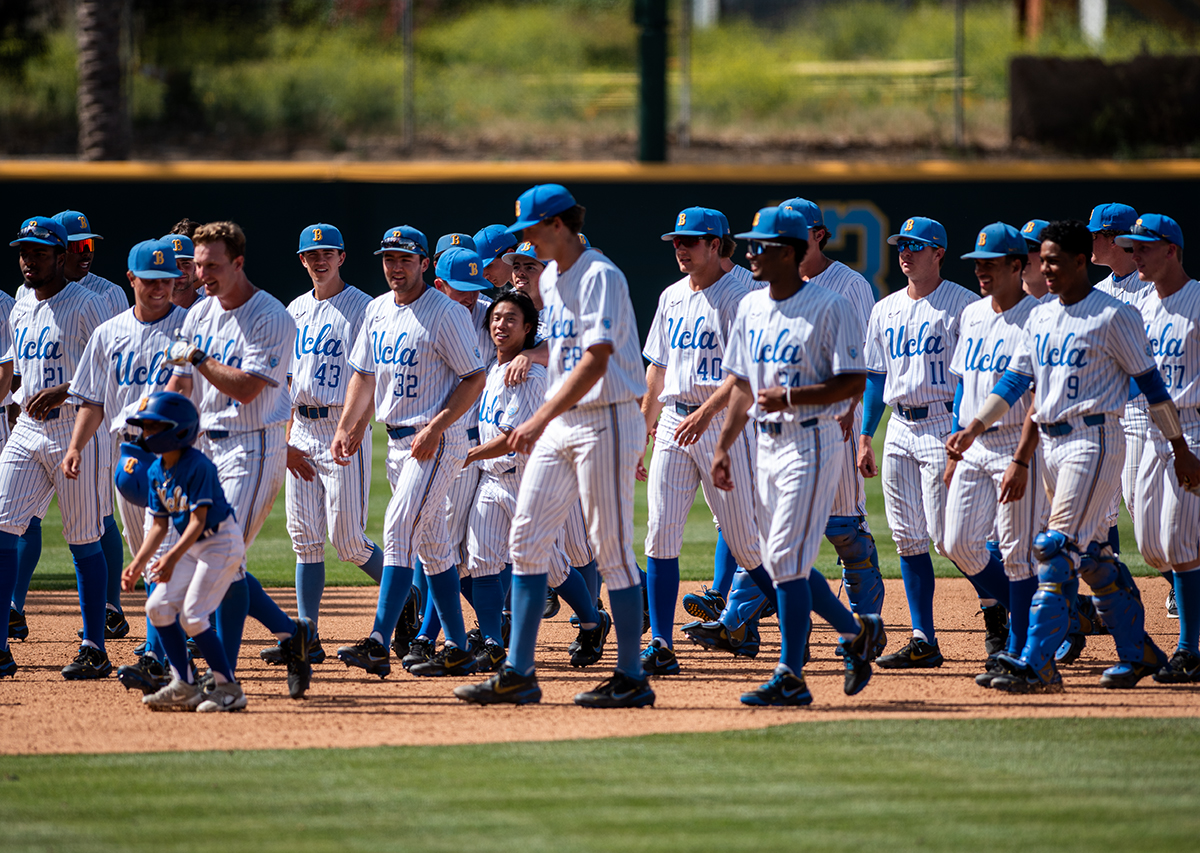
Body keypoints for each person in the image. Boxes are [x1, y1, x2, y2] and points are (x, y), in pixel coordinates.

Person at [949, 218, 1182, 692]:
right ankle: (1139, 652)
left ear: (1081, 261)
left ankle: (1037, 663)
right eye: (1043, 260)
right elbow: (1016, 383)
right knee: (1091, 556)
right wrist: (974, 426)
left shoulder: (1114, 315)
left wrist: (1180, 448)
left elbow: (1153, 387)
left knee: (1053, 550)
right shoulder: (1042, 315)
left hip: (1094, 441)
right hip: (1050, 444)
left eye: (1054, 260)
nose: (1046, 268)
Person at [456, 183, 651, 707]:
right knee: (525, 541)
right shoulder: (556, 278)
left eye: (531, 230)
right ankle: (520, 672)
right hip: (565, 423)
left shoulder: (600, 275)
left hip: (608, 419)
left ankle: (631, 675)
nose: (524, 241)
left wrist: (539, 417)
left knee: (611, 551)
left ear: (560, 225)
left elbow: (597, 357)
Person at [713, 205, 882, 705]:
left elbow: (855, 379)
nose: (749, 253)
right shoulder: (750, 307)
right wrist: (724, 445)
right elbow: (743, 384)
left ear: (787, 252)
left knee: (785, 556)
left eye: (759, 245)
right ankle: (855, 631)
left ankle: (791, 674)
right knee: (779, 557)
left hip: (813, 440)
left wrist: (792, 398)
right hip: (764, 444)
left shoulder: (832, 306)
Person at [164, 220, 315, 700]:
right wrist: (157, 422)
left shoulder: (271, 315)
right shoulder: (199, 315)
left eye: (211, 265)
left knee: (221, 556)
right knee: (221, 557)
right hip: (204, 446)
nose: (200, 274)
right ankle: (293, 636)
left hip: (254, 446)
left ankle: (223, 678)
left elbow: (249, 389)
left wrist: (198, 358)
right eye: (196, 264)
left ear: (238, 263)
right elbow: (182, 384)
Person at [331, 226, 486, 679]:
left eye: (404, 258)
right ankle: (457, 647)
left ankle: (379, 640)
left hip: (436, 440)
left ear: (425, 263)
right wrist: (349, 426)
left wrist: (438, 427)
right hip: (398, 441)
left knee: (398, 529)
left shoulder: (445, 312)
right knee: (436, 549)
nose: (395, 267)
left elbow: (473, 377)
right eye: (388, 258)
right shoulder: (377, 310)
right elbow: (363, 374)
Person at [62, 237, 191, 694]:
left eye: (166, 280)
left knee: (162, 558)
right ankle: (175, 643)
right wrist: (76, 446)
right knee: (147, 554)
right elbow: (92, 401)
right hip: (129, 460)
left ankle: (157, 654)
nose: (159, 288)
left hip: (177, 458)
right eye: (149, 280)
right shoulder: (109, 332)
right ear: (131, 279)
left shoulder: (188, 328)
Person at [638, 206, 760, 676]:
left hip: (727, 424)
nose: (681, 248)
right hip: (673, 420)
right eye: (676, 241)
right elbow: (659, 368)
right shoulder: (671, 296)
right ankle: (662, 644)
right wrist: (645, 428)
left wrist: (709, 417)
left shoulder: (743, 295)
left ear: (716, 244)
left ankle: (793, 624)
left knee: (747, 541)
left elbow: (745, 374)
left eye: (691, 241)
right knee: (660, 531)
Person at [858, 217, 979, 668]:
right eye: (901, 245)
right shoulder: (884, 308)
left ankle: (1001, 611)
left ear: (939, 252)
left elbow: (969, 377)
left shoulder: (963, 307)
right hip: (898, 432)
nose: (905, 252)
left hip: (943, 425)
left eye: (916, 245)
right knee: (907, 539)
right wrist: (866, 435)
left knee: (951, 540)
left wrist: (960, 430)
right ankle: (922, 637)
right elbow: (875, 378)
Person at [268, 223, 384, 666]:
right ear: (302, 260)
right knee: (305, 540)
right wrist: (284, 437)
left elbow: (374, 374)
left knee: (348, 540)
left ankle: (406, 595)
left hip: (343, 425)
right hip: (302, 427)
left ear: (342, 257)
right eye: (312, 254)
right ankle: (307, 636)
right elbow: (283, 380)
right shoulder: (292, 310)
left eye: (328, 252)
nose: (320, 259)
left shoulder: (363, 308)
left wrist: (357, 425)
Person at [0, 216, 110, 679]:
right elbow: (22, 367)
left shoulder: (87, 305)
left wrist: (65, 390)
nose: (29, 260)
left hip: (76, 429)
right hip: (27, 428)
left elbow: (111, 368)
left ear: (62, 256)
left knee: (84, 539)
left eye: (40, 252)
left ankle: (94, 646)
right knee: (3, 524)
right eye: (24, 251)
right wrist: (15, 401)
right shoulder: (20, 307)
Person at [941, 223, 1047, 685]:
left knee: (1017, 554)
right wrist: (955, 442)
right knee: (955, 542)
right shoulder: (973, 314)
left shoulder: (1040, 317)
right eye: (977, 263)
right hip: (973, 442)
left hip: (1013, 445)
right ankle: (1045, 616)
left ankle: (1026, 654)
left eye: (991, 263)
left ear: (1018, 265)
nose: (981, 271)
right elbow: (965, 383)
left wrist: (1023, 459)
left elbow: (1037, 397)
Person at [120, 391, 253, 712]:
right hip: (193, 548)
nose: (146, 435)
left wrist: (170, 558)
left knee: (193, 615)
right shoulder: (155, 471)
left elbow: (198, 521)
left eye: (153, 428)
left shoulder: (199, 466)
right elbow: (159, 527)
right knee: (158, 607)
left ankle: (229, 688)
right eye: (145, 428)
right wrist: (137, 564)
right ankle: (185, 684)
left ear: (177, 429)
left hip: (220, 544)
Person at [1116, 214, 1200, 682]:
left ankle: (1190, 649)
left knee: (1179, 539)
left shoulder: (1198, 301)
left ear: (1171, 250)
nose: (1136, 256)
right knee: (1151, 548)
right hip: (1147, 431)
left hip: (1192, 430)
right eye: (1131, 248)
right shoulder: (1140, 308)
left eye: (1144, 247)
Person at [1020, 220, 1051, 300]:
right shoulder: (1002, 304)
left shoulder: (1065, 307)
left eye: (1032, 248)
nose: (1024, 253)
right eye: (1021, 247)